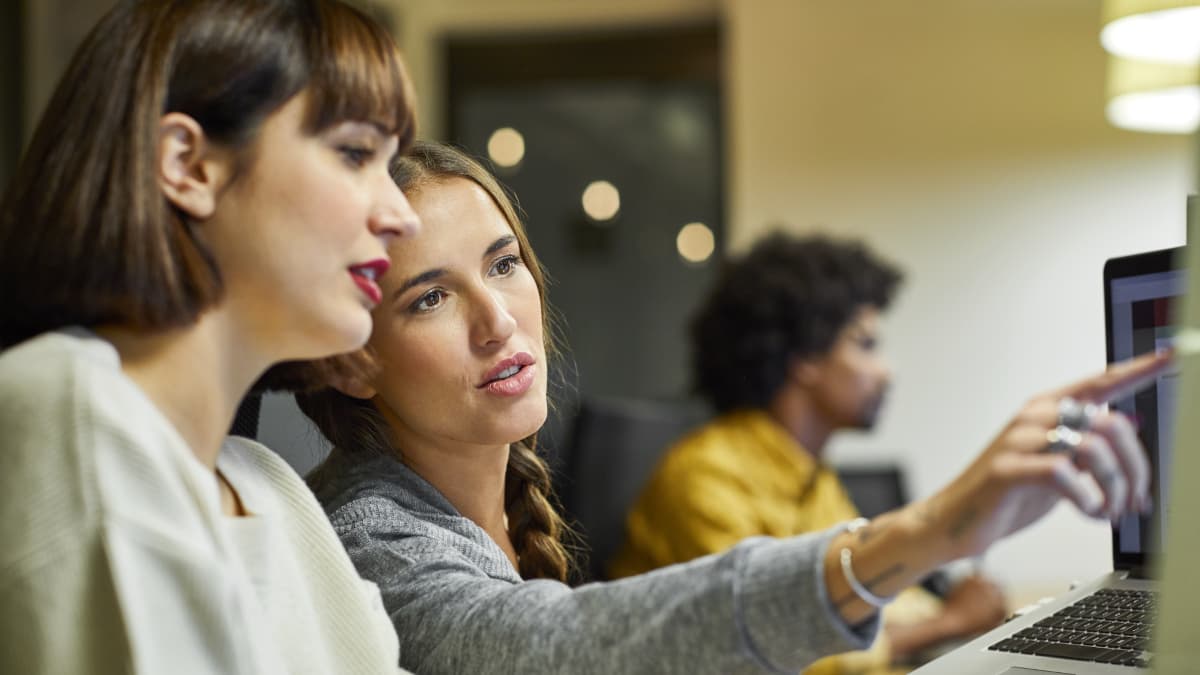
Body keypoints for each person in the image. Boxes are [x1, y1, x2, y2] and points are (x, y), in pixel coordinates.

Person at [296, 141, 1167, 675]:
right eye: (427, 299)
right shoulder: (368, 534)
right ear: (352, 353)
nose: (497, 320)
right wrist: (932, 529)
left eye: (502, 263)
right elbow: (542, 650)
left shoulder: (492, 506)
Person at [0, 1, 420, 672]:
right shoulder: (70, 410)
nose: (401, 215)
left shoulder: (273, 490)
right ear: (188, 165)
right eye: (354, 153)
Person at [608, 234, 1007, 672]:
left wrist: (979, 616)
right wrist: (948, 622)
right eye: (865, 345)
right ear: (805, 359)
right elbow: (767, 644)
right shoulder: (703, 477)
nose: (885, 371)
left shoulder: (812, 477)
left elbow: (874, 595)